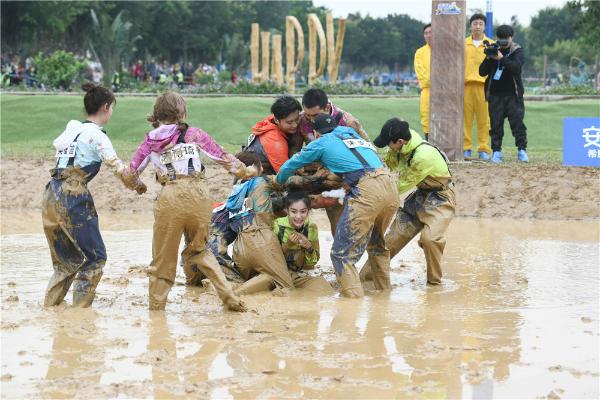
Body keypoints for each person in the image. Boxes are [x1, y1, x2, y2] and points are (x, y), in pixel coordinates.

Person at [123, 92, 253, 312]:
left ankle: (157, 313)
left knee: (163, 259)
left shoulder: (150, 141)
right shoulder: (194, 134)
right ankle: (228, 296)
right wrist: (245, 171)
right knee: (201, 250)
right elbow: (223, 157)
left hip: (170, 197)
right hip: (199, 196)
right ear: (182, 112)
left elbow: (129, 173)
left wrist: (139, 187)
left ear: (156, 114)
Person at [42, 83, 145, 308]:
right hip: (73, 196)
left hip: (50, 193)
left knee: (65, 263)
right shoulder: (96, 135)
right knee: (95, 257)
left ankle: (49, 309)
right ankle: (80, 313)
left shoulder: (72, 130)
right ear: (106, 107)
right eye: (112, 108)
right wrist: (138, 185)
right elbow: (118, 168)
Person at [276, 114, 400, 298]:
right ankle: (384, 295)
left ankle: (351, 305)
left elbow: (291, 164)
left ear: (316, 133)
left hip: (367, 189)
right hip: (390, 186)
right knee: (377, 244)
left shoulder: (320, 142)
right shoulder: (350, 133)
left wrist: (278, 181)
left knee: (341, 255)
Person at [361, 118, 455, 285]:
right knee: (389, 242)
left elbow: (397, 187)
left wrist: (370, 196)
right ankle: (364, 278)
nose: (388, 148)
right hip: (419, 197)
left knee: (430, 240)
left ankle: (434, 285)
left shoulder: (423, 157)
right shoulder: (401, 146)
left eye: (389, 144)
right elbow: (386, 167)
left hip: (440, 199)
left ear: (400, 142)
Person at [223, 152, 295, 296]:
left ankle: (227, 287)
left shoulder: (235, 191)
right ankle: (234, 293)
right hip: (262, 240)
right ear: (259, 167)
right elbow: (286, 182)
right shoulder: (262, 181)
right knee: (286, 288)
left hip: (239, 249)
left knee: (258, 282)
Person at [479, 24, 529, 163]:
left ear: (511, 38)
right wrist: (489, 57)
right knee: (495, 125)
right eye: (500, 38)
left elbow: (516, 68)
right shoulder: (493, 49)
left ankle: (522, 150)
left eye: (505, 39)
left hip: (513, 95)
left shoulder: (517, 51)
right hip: (495, 95)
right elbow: (482, 72)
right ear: (496, 38)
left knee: (518, 123)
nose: (502, 41)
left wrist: (501, 58)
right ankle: (496, 152)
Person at [272, 191, 333, 294]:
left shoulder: (311, 228)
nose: (298, 216)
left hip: (298, 274)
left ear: (309, 212)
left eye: (303, 211)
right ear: (287, 211)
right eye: (294, 211)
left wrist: (309, 248)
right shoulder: (276, 226)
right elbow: (270, 259)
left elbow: (312, 263)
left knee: (325, 290)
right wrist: (287, 245)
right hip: (277, 273)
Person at [243, 95, 302, 175]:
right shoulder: (275, 141)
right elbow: (285, 175)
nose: (295, 125)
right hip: (255, 178)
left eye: (297, 119)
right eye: (289, 122)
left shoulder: (273, 119)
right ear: (277, 120)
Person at [464, 14, 492, 160]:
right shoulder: (463, 44)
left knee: (484, 120)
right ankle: (465, 148)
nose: (478, 26)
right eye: (475, 23)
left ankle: (483, 149)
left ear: (484, 26)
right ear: (470, 26)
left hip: (484, 87)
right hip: (466, 85)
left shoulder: (490, 44)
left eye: (480, 24)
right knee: (466, 119)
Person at [414, 23, 432, 137]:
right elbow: (420, 73)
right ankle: (429, 144)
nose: (428, 35)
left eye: (431, 32)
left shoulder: (445, 52)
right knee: (426, 118)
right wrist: (436, 81)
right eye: (426, 33)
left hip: (443, 92)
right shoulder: (420, 52)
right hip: (427, 90)